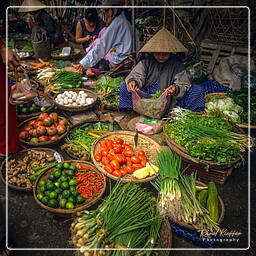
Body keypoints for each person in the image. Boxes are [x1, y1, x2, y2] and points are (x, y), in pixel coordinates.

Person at [119, 27, 230, 113]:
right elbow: (136, 75)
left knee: (197, 90)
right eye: (158, 53)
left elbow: (184, 84)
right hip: (145, 98)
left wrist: (175, 89)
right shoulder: (146, 62)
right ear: (152, 52)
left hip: (169, 101)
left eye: (165, 54)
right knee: (124, 86)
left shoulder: (177, 66)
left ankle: (176, 116)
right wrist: (133, 82)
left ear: (171, 53)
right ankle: (131, 112)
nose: (161, 57)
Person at [75, 0, 132, 75]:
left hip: (122, 62)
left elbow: (102, 46)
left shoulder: (118, 23)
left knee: (98, 45)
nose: (106, 14)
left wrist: (84, 63)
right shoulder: (124, 19)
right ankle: (94, 69)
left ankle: (93, 69)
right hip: (125, 58)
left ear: (112, 10)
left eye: (106, 11)